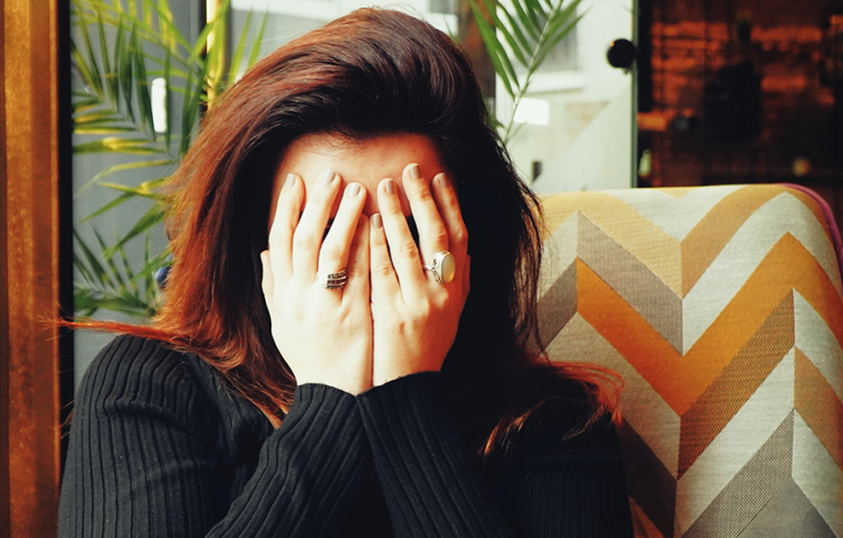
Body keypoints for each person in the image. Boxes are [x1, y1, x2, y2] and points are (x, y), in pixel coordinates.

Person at [59, 8, 634, 538]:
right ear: (259, 240)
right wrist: (329, 394)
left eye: (406, 227)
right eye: (326, 228)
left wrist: (407, 395)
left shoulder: (556, 425)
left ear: (465, 240)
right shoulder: (149, 386)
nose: (370, 260)